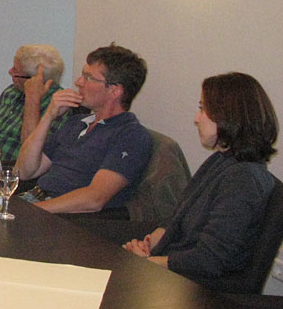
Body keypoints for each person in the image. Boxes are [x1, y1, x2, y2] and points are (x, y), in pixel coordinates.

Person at [124, 73, 278, 281]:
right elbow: (176, 218)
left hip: (199, 286)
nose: (196, 119)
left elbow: (209, 260)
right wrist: (148, 245)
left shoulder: (243, 179)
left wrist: (147, 263)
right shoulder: (221, 160)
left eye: (203, 109)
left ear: (229, 116)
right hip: (175, 267)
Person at [16, 44, 153, 215]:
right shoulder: (76, 123)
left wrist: (30, 211)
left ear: (115, 90)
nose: (78, 82)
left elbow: (94, 199)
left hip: (63, 217)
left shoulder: (130, 135)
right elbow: (24, 171)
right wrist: (48, 116)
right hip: (33, 199)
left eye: (88, 78)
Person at [0, 44, 66, 164]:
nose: (10, 72)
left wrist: (32, 99)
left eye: (16, 71)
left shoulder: (58, 105)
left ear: (34, 80)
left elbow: (31, 147)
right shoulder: (12, 92)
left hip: (5, 169)